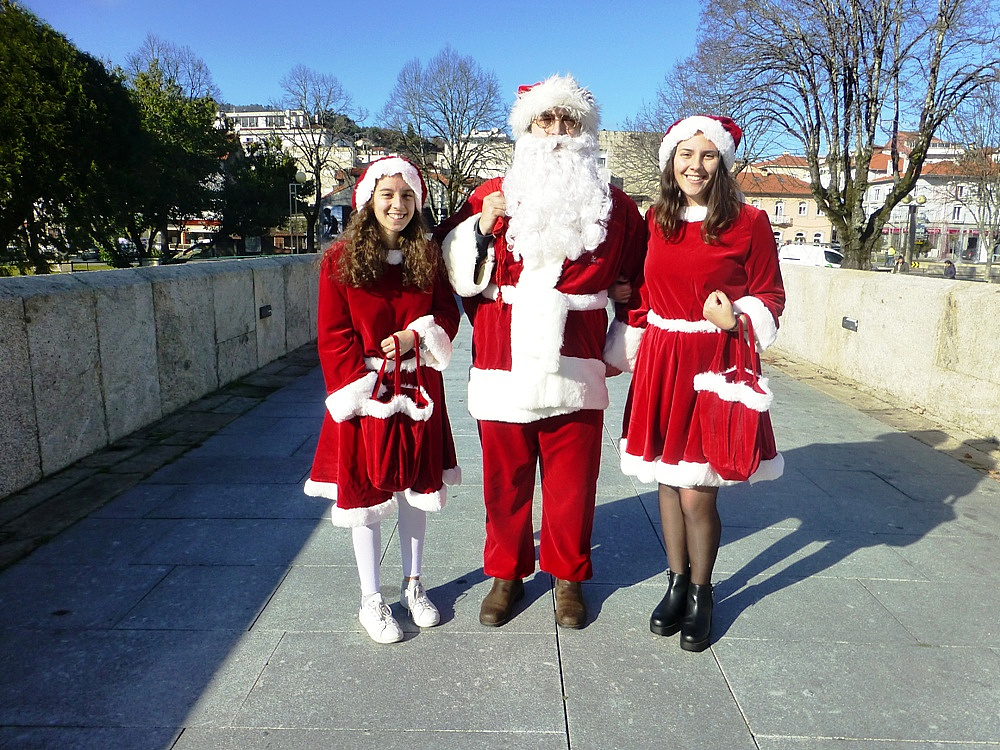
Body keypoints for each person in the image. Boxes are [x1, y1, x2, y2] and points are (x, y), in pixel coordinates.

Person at [435, 75, 646, 629]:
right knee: (505, 480)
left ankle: (569, 576)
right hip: (502, 363)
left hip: (576, 362)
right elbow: (452, 269)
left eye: (567, 122)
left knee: (573, 483)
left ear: (585, 131)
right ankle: (506, 572)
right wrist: (480, 228)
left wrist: (617, 345)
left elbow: (642, 282)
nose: (556, 133)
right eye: (544, 121)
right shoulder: (488, 194)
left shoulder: (617, 207)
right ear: (526, 128)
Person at [606, 116, 785, 652]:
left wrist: (740, 319)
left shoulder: (749, 222)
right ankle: (676, 582)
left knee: (696, 492)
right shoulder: (655, 218)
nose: (696, 165)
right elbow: (642, 286)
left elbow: (770, 294)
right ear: (671, 161)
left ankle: (703, 592)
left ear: (723, 162)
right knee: (666, 478)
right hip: (662, 359)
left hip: (711, 360)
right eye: (687, 154)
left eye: (708, 156)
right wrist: (624, 297)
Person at [304, 156, 461, 644]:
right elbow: (333, 336)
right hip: (365, 393)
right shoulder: (340, 261)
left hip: (417, 389)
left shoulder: (427, 257)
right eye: (388, 195)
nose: (398, 205)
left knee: (417, 488)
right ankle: (372, 599)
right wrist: (361, 393)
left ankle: (414, 586)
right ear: (368, 199)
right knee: (366, 496)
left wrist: (419, 337)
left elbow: (445, 315)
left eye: (407, 196)